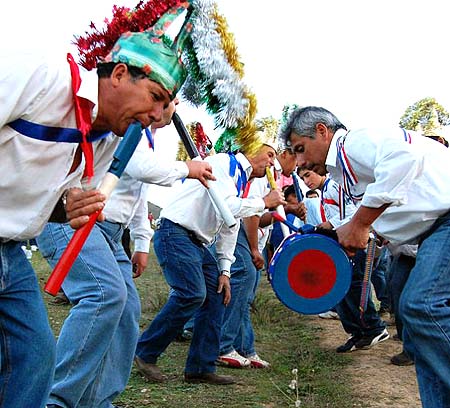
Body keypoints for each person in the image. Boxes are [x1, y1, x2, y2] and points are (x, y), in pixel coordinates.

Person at [37, 93, 213, 407]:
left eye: (169, 102)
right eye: (161, 98)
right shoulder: (128, 127)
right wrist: (188, 168)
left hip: (110, 233)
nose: (165, 108)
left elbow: (138, 194)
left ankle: (97, 399)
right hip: (73, 220)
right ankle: (57, 398)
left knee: (128, 307)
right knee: (103, 294)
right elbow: (141, 168)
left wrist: (142, 242)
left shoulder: (148, 137)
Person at [281, 106, 450, 407]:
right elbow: (374, 214)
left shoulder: (352, 142)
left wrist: (359, 223)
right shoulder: (345, 174)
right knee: (421, 332)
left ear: (322, 131)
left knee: (421, 306)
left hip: (445, 221)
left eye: (300, 149)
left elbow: (405, 159)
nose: (300, 161)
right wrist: (345, 232)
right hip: (432, 231)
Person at [134, 139, 286, 385]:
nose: (272, 162)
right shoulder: (223, 163)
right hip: (175, 231)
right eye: (269, 155)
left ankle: (200, 367)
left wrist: (225, 271)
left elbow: (229, 223)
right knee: (192, 294)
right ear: (252, 147)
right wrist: (264, 202)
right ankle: (145, 352)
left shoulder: (240, 181)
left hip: (197, 242)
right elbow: (227, 206)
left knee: (216, 295)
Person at [217, 140, 306, 369]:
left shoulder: (277, 178)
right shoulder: (264, 174)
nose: (271, 160)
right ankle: (223, 346)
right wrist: (255, 249)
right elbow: (251, 214)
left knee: (248, 292)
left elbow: (265, 216)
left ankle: (245, 348)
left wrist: (285, 209)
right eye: (269, 154)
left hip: (252, 236)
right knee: (245, 279)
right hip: (241, 234)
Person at [298, 167, 388, 347]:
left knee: (355, 287)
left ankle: (374, 328)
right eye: (302, 178)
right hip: (344, 242)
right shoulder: (325, 190)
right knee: (342, 288)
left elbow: (353, 213)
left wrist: (328, 225)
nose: (307, 181)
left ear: (319, 171)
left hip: (358, 242)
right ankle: (357, 331)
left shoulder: (334, 186)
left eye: (308, 175)